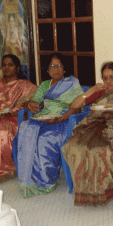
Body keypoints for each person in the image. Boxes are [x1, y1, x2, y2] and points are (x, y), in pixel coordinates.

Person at [61, 61, 113, 207]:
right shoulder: (99, 93)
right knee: (73, 146)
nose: (108, 82)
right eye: (104, 78)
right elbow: (74, 105)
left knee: (97, 150)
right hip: (94, 126)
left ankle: (102, 192)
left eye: (112, 77)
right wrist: (91, 90)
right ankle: (84, 190)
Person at [15, 52, 84, 197]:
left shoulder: (72, 83)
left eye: (59, 65)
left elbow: (77, 107)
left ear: (64, 69)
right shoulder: (45, 85)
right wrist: (31, 104)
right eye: (52, 66)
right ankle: (31, 179)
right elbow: (34, 100)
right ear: (47, 70)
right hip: (45, 119)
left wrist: (61, 118)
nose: (56, 68)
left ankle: (47, 181)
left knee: (44, 140)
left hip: (65, 120)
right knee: (27, 131)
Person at [0, 54, 36, 182]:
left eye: (10, 65)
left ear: (17, 68)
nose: (6, 67)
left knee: (2, 129)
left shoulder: (25, 85)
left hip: (15, 119)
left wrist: (13, 112)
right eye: (4, 65)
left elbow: (38, 99)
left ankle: (6, 169)